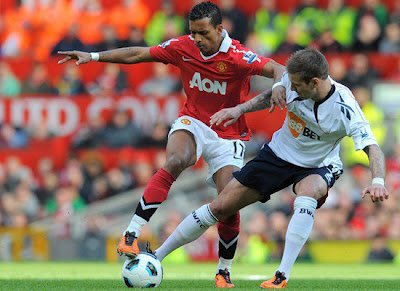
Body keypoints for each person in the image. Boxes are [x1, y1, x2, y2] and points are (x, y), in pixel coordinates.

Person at [58, 2, 286, 288]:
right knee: (177, 160)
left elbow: (278, 68)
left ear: (219, 29)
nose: (197, 39)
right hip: (193, 121)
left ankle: (224, 269)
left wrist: (278, 86)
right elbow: (139, 53)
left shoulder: (239, 56)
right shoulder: (183, 47)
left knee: (228, 202)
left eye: (203, 33)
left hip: (229, 134)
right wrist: (93, 56)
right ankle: (131, 234)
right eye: (193, 33)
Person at [150, 48, 389, 289]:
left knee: (309, 192)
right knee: (220, 207)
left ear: (315, 82)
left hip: (318, 165)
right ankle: (156, 257)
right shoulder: (292, 79)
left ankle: (281, 275)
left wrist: (377, 181)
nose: (291, 89)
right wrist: (239, 109)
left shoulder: (345, 106)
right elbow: (270, 96)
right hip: (277, 155)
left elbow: (372, 146)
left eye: (296, 85)